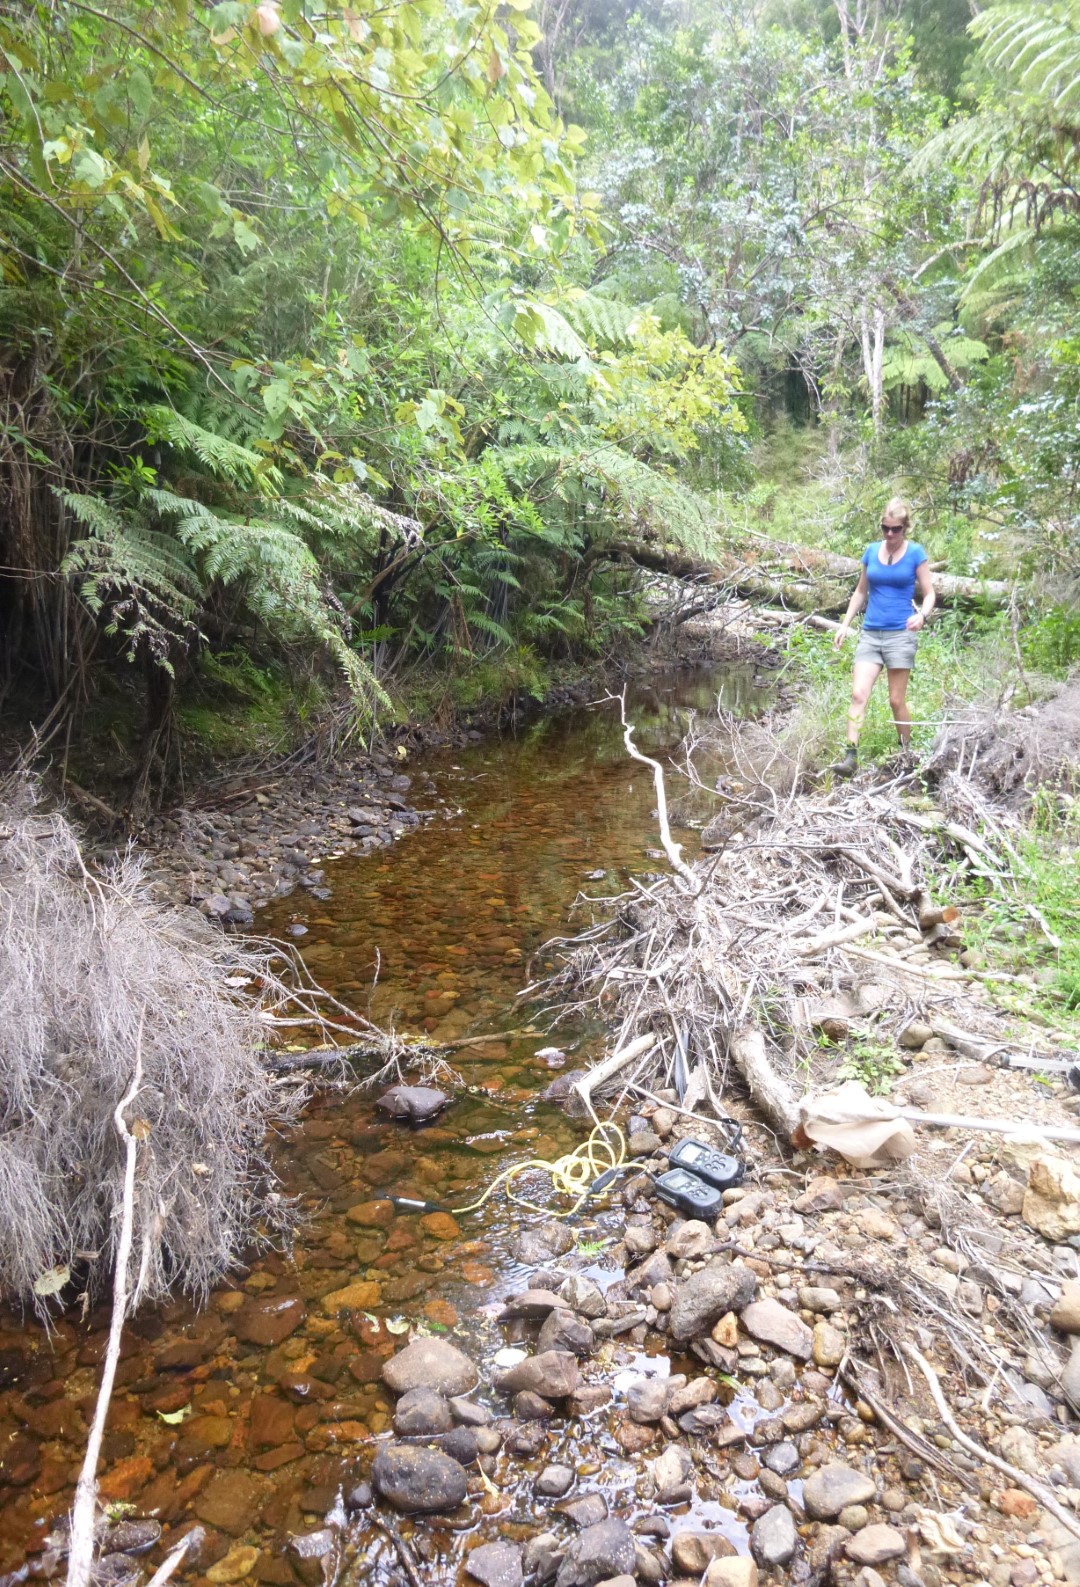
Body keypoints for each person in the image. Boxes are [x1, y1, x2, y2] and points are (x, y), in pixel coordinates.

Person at [830, 497, 936, 776]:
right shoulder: (871, 551)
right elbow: (860, 590)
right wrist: (844, 624)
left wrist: (922, 615)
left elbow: (930, 593)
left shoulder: (915, 553)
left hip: (900, 635)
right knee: (857, 694)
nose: (890, 534)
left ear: (905, 528)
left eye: (896, 529)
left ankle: (906, 753)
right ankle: (850, 757)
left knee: (896, 701)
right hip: (871, 634)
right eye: (885, 528)